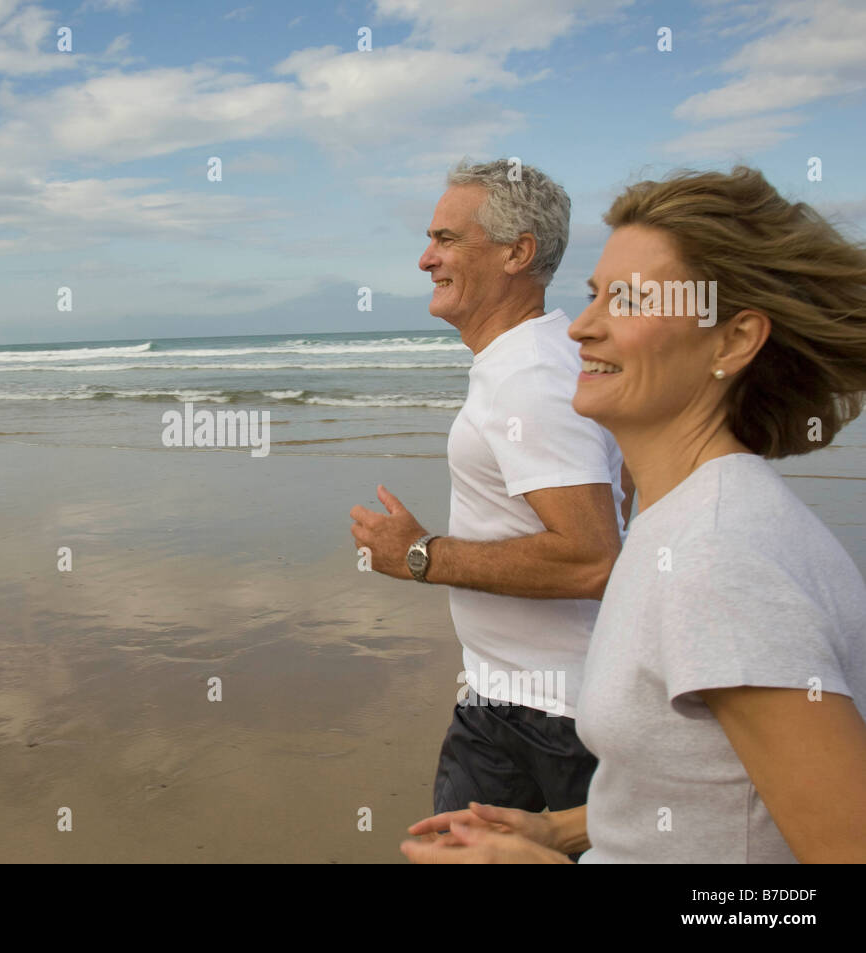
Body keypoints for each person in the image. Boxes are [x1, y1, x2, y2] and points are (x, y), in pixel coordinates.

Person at [402, 166, 866, 863]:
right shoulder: (682, 520)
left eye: (629, 299)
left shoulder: (716, 563)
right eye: (593, 294)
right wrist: (559, 830)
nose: (583, 327)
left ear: (734, 341)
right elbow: (709, 787)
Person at [350, 159, 629, 821]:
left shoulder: (529, 375)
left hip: (551, 718)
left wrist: (421, 555)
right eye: (430, 238)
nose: (425, 258)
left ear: (517, 252)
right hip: (512, 700)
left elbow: (593, 556)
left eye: (446, 239)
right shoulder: (533, 360)